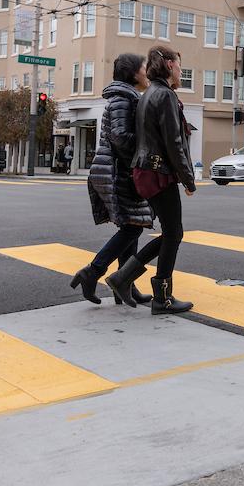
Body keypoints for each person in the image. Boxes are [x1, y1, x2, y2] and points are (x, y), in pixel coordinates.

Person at [105, 45, 195, 315]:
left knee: (171, 233)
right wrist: (188, 179)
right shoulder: (164, 95)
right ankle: (161, 298)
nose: (181, 72)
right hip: (158, 172)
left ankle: (123, 278)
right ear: (169, 65)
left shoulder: (150, 93)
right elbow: (173, 142)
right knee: (173, 233)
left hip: (147, 171)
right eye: (179, 66)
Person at [73, 54, 155, 305]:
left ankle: (125, 284)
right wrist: (144, 149)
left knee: (131, 226)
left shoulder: (127, 97)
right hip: (118, 171)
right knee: (134, 226)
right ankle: (94, 272)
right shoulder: (122, 99)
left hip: (118, 169)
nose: (148, 72)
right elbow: (120, 137)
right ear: (133, 73)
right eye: (144, 68)